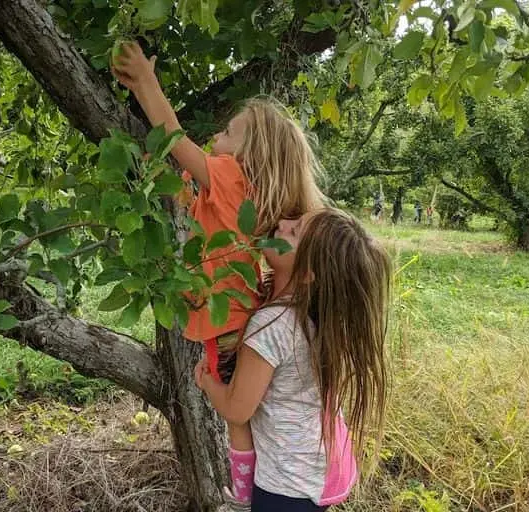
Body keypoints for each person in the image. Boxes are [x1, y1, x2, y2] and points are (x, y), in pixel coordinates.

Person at [112, 42, 325, 507]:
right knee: (247, 416)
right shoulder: (241, 199)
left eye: (227, 134)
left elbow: (173, 136)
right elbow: (185, 193)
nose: (215, 141)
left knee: (234, 410)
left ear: (250, 153)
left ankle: (246, 491)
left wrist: (146, 81)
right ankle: (250, 488)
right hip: (233, 314)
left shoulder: (231, 177)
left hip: (224, 318)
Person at [195, 208, 391, 511]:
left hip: (287, 489)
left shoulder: (272, 325)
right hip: (326, 471)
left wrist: (208, 382)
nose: (281, 224)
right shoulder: (322, 317)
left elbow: (237, 409)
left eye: (294, 230)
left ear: (308, 272)